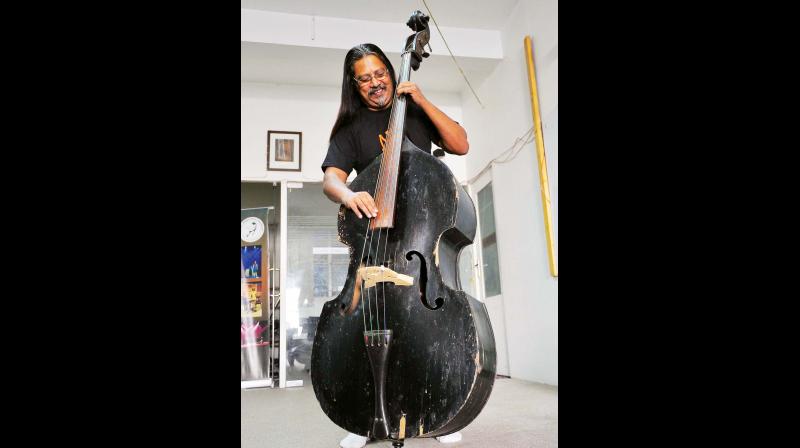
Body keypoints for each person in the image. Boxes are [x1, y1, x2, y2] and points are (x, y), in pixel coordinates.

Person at [320, 43, 469, 448]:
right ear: (354, 84)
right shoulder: (350, 129)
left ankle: (442, 414)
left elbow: (460, 144)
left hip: (422, 244)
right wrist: (349, 195)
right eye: (364, 78)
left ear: (390, 69)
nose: (374, 83)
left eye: (379, 73)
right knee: (365, 325)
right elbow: (330, 179)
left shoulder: (416, 109)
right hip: (377, 243)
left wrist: (419, 97)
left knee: (433, 330)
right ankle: (365, 416)